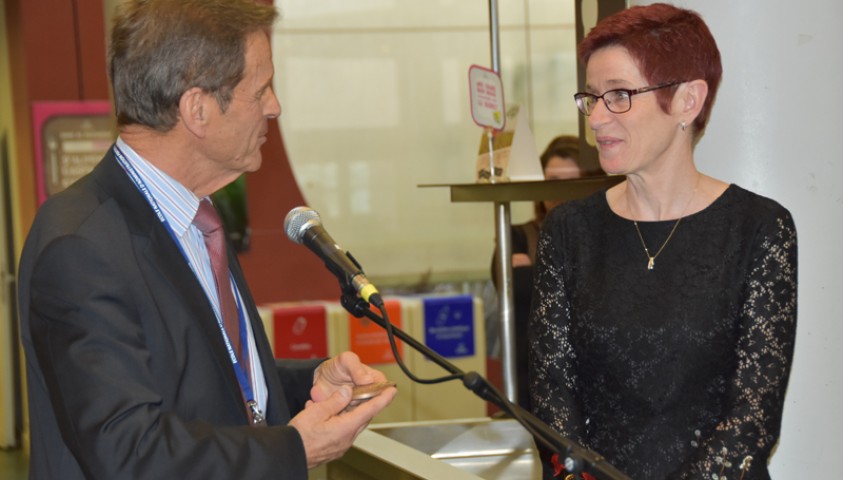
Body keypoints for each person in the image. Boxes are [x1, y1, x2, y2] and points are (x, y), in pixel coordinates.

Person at [17, 1, 396, 479]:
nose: (274, 106)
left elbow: (207, 378)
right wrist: (293, 449)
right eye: (260, 90)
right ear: (197, 110)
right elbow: (127, 452)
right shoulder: (80, 246)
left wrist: (311, 384)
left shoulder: (199, 219)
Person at [527, 4, 797, 479]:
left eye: (619, 95)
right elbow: (552, 393)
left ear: (688, 101)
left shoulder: (759, 228)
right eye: (591, 97)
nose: (596, 119)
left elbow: (752, 419)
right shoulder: (569, 231)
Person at [489, 135, 599, 409]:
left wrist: (533, 270)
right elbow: (515, 289)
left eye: (569, 183)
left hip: (593, 379)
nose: (558, 192)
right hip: (531, 379)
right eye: (551, 181)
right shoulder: (517, 236)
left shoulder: (603, 238)